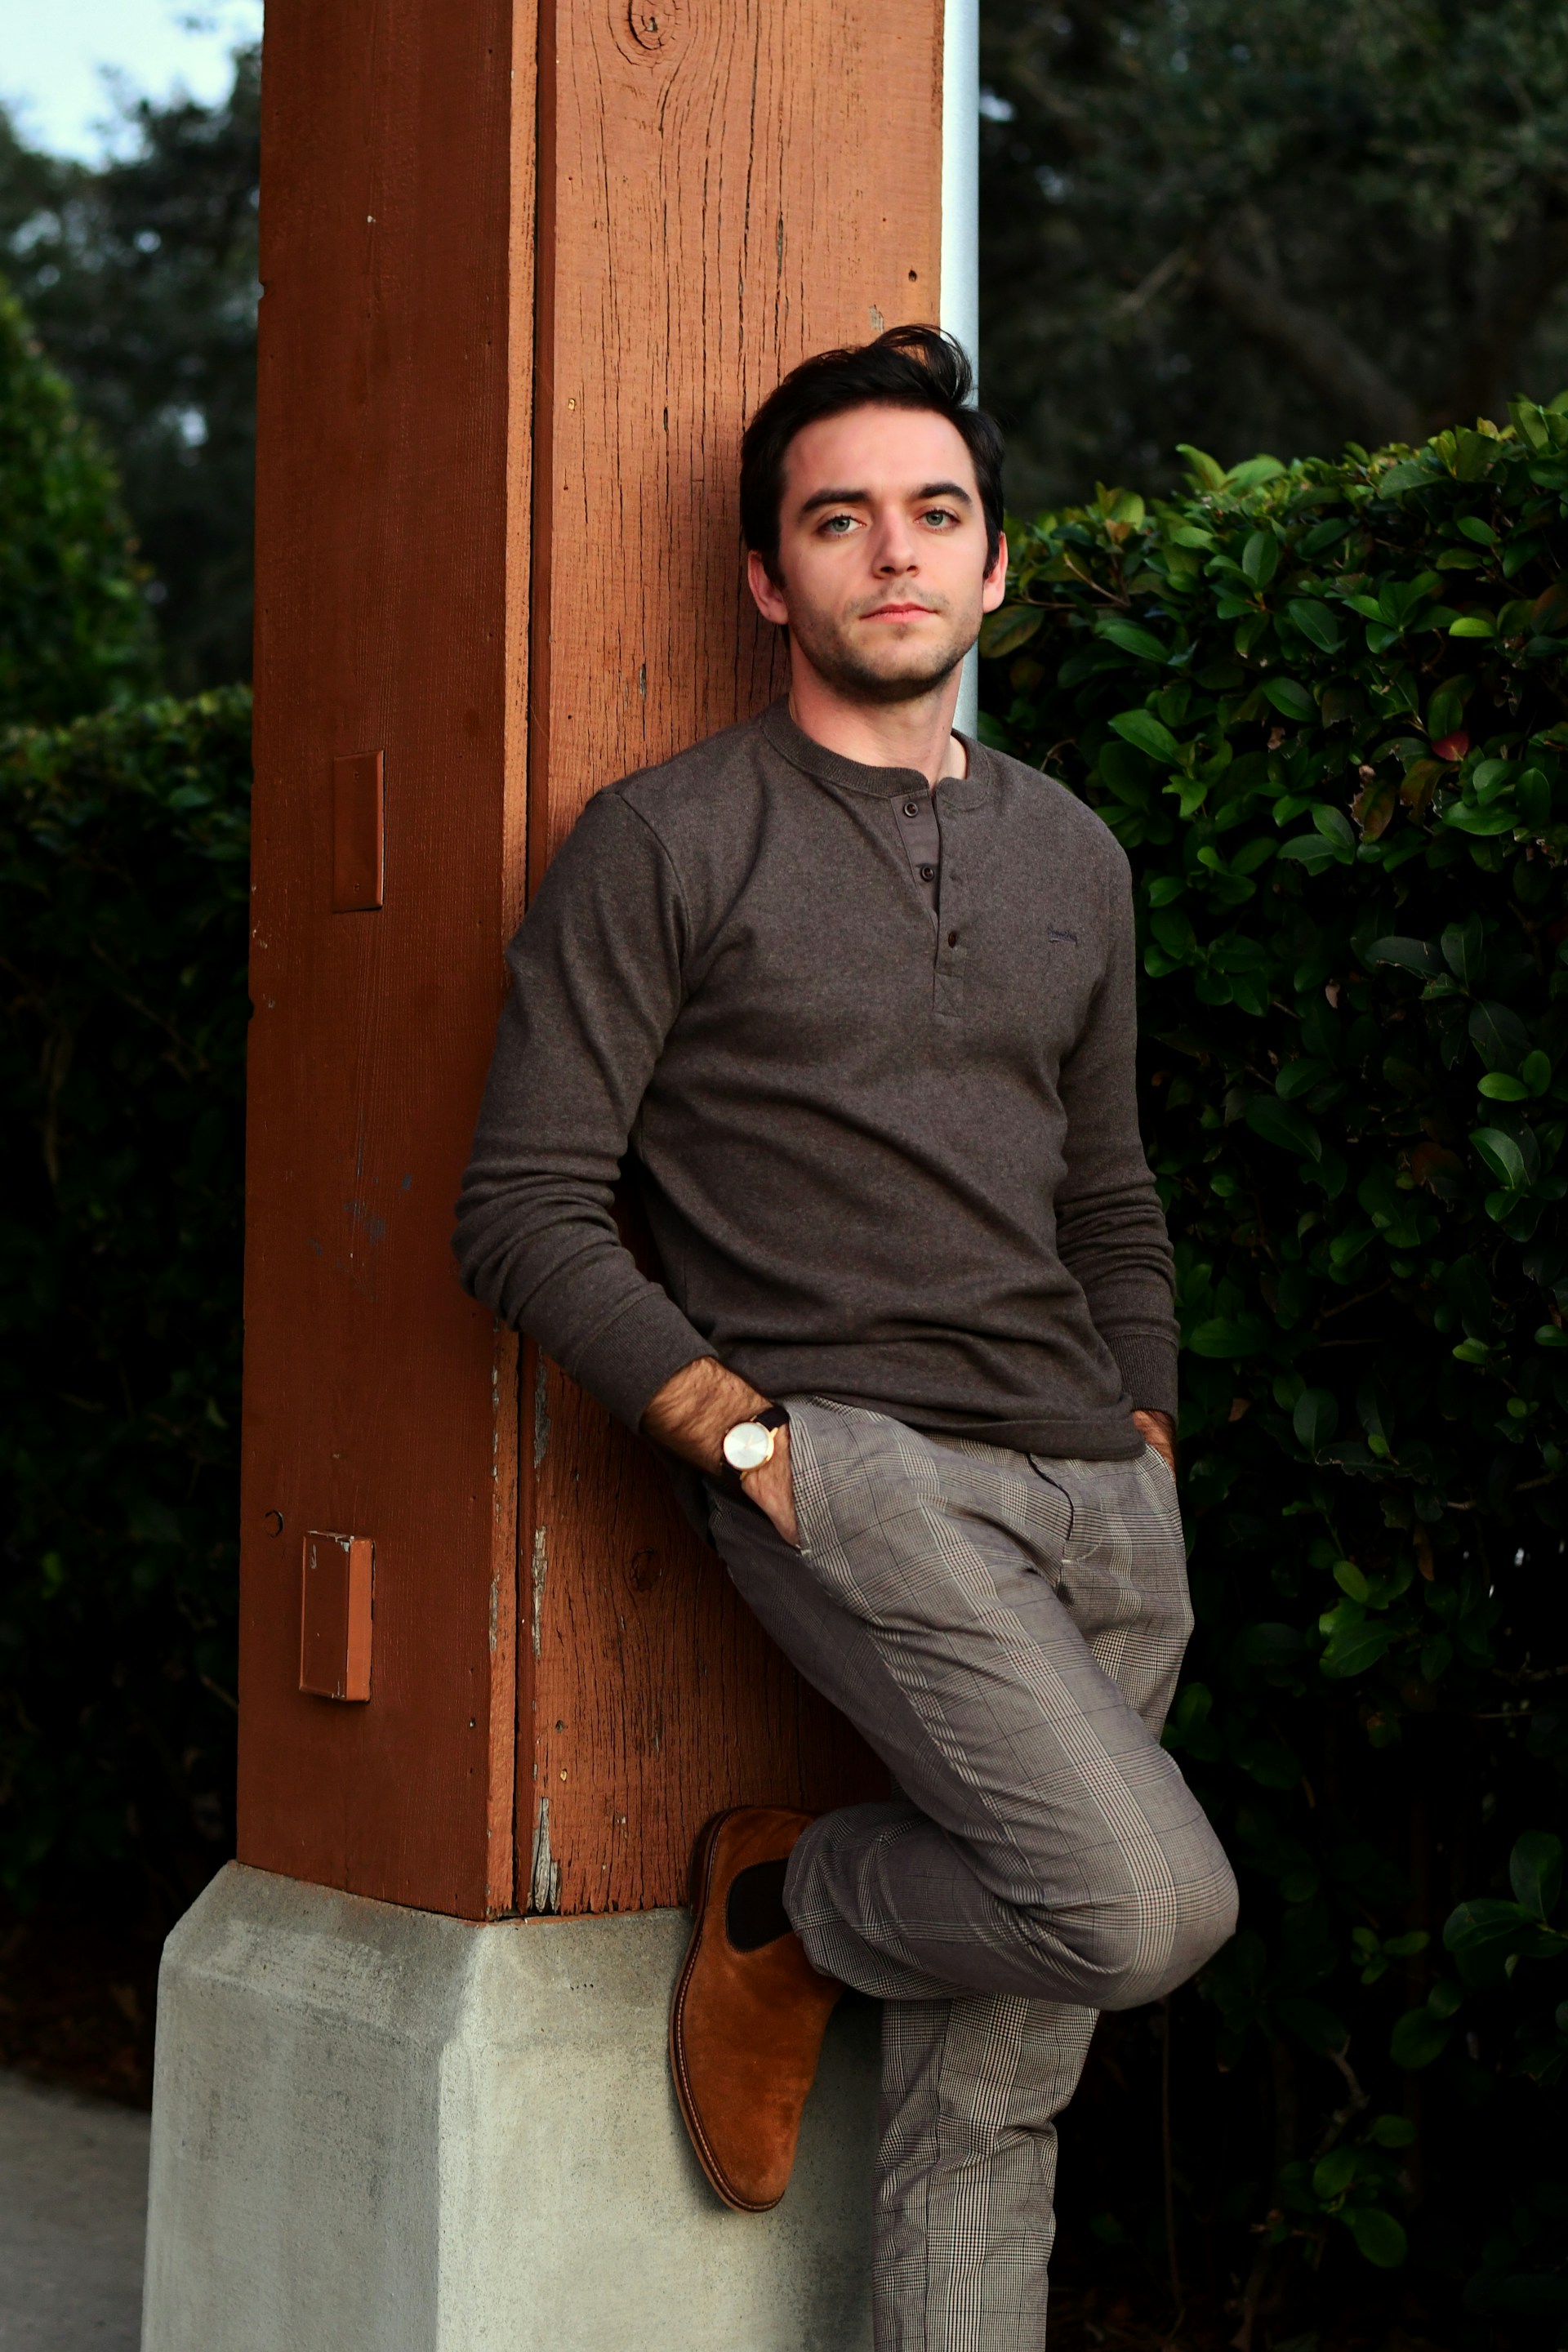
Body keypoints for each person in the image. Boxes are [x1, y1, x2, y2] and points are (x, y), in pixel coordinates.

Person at [453, 325, 1237, 2350]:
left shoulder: (1078, 855)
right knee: (1139, 1910)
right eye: (839, 519)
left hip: (1103, 1494)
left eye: (936, 513)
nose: (895, 553)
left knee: (1002, 2093)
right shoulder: (664, 839)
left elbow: (1110, 1196)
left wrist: (1148, 1435)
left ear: (996, 563)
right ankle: (792, 1903)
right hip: (864, 1478)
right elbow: (523, 1208)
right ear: (766, 575)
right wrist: (749, 1444)